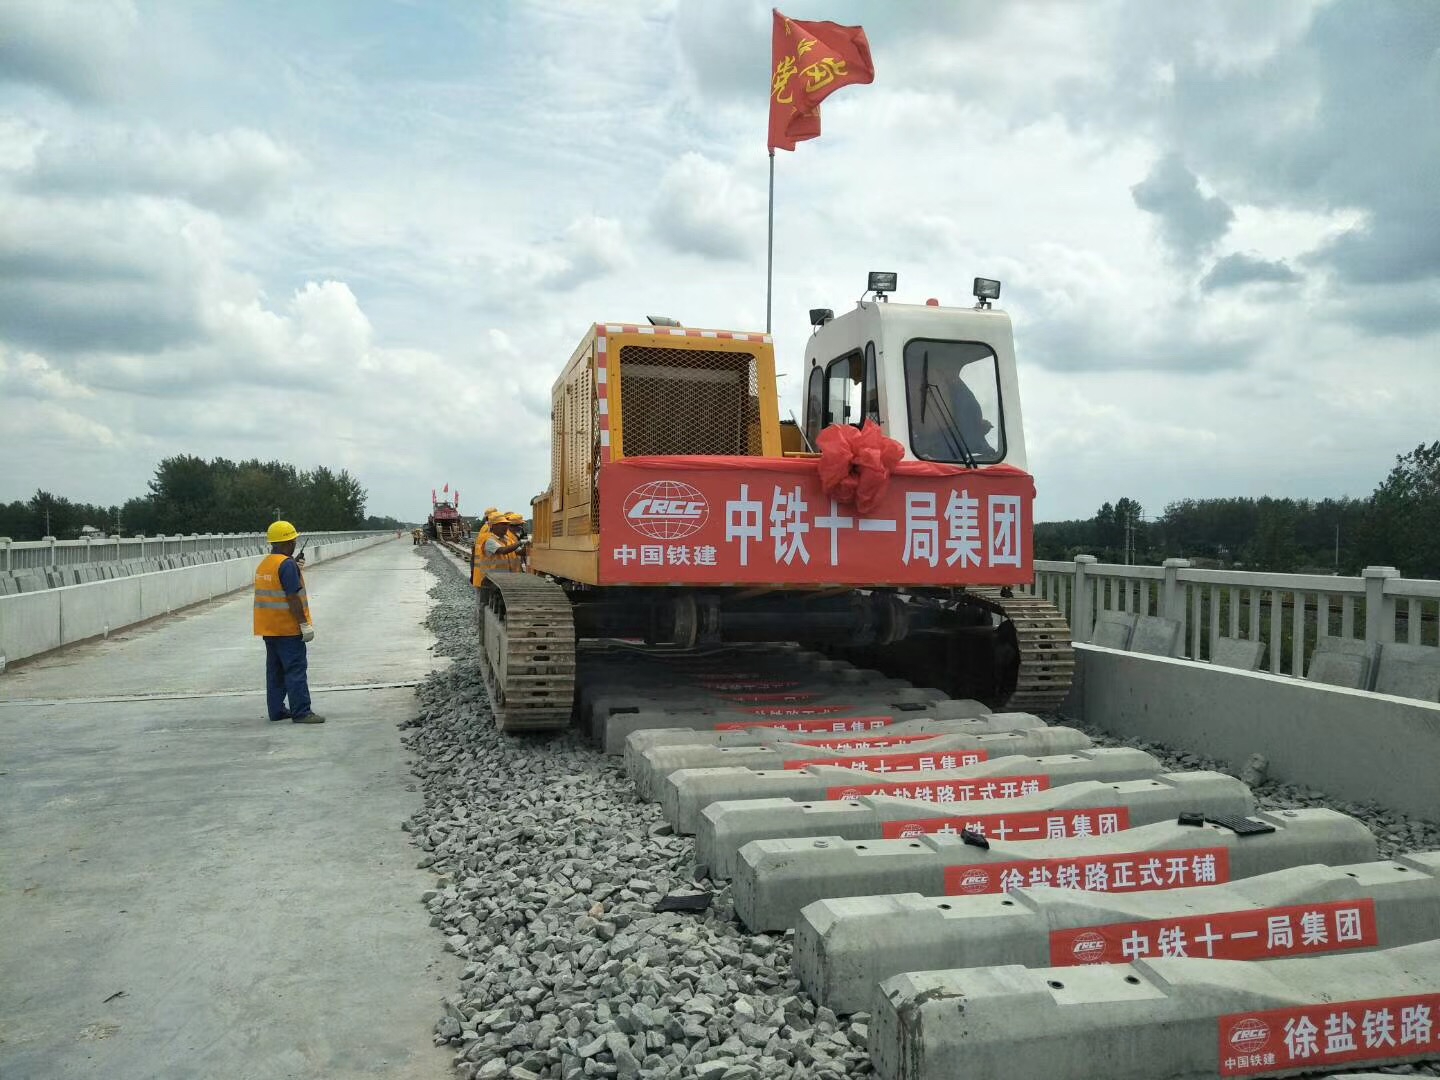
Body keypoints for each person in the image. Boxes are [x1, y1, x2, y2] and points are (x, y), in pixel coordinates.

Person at [254, 520, 324, 724]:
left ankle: (276, 711)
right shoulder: (286, 565)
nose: (294, 544)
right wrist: (303, 624)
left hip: (269, 628)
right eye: (293, 541)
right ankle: (302, 712)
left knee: (275, 671)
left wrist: (294, 567)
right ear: (288, 543)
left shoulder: (266, 563)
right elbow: (292, 597)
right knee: (295, 670)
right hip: (288, 629)